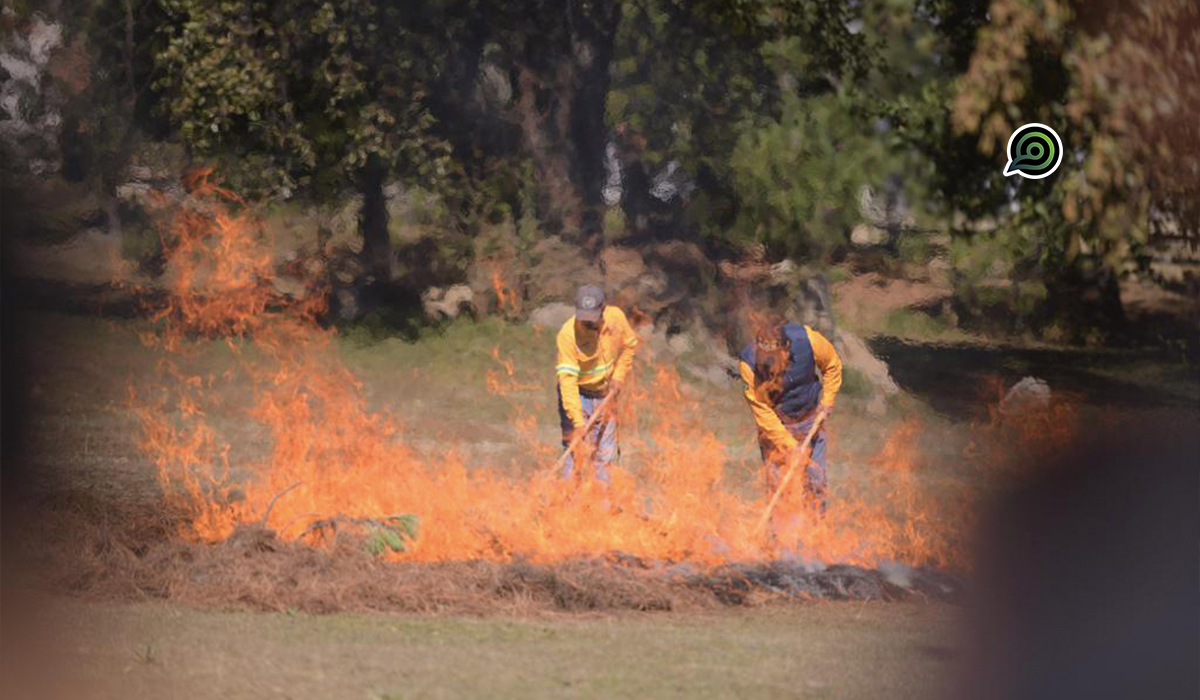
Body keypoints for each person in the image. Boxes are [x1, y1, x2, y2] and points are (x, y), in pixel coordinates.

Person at [738, 320, 842, 513]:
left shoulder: (808, 340)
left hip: (810, 422)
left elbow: (832, 365)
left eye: (773, 360)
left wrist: (827, 401)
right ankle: (780, 533)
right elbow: (762, 411)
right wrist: (791, 447)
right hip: (776, 429)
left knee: (816, 483)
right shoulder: (749, 363)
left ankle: (815, 529)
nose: (770, 367)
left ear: (786, 350)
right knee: (780, 490)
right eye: (765, 361)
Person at [555, 284, 639, 485]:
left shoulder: (616, 318)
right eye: (583, 318)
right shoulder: (567, 335)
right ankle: (567, 497)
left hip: (605, 394)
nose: (587, 323)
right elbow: (567, 381)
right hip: (577, 395)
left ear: (603, 309)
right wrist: (577, 421)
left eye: (592, 318)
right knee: (574, 450)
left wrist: (618, 376)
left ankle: (602, 499)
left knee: (604, 452)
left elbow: (629, 345)